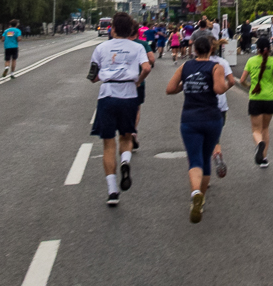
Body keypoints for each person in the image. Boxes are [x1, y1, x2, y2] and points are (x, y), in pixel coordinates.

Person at [89, 12, 151, 207]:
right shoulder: (137, 47)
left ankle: (112, 190)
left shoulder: (101, 47)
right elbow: (147, 67)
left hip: (107, 95)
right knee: (126, 135)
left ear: (113, 28)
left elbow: (92, 75)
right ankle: (125, 160)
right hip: (129, 95)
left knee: (108, 143)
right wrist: (138, 81)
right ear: (131, 30)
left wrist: (106, 73)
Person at [165, 34, 226, 223]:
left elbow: (170, 88)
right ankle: (202, 198)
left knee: (194, 159)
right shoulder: (216, 67)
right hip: (212, 119)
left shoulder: (186, 67)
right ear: (210, 50)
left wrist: (186, 85)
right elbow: (218, 89)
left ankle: (196, 193)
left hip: (190, 119)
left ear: (194, 50)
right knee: (206, 158)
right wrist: (227, 84)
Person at [239, 37, 273, 168]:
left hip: (256, 98)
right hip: (270, 97)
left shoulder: (251, 61)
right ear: (269, 48)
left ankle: (259, 144)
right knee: (265, 128)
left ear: (257, 49)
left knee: (256, 130)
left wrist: (248, 86)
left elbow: (241, 80)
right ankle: (264, 157)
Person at [209, 49, 237, 179]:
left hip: (204, 105)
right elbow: (231, 81)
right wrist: (222, 90)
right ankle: (218, 152)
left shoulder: (198, 63)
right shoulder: (222, 62)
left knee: (205, 139)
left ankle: (205, 175)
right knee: (216, 135)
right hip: (221, 105)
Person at [130, 21, 156, 151]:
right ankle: (133, 131)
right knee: (137, 108)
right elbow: (151, 60)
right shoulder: (142, 44)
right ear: (137, 32)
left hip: (122, 83)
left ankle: (125, 132)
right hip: (138, 81)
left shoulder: (122, 44)